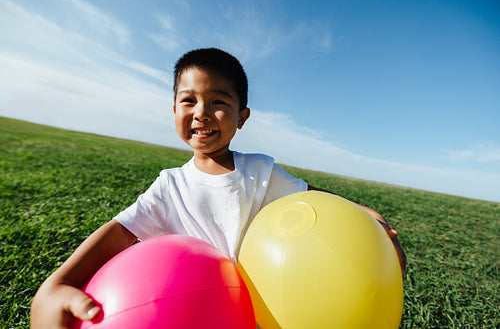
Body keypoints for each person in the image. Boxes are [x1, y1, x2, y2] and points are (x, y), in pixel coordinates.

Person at [30, 48, 406, 328]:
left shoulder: (261, 171)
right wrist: (59, 283)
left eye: (218, 102)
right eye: (188, 101)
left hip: (264, 312)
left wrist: (360, 215)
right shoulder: (169, 185)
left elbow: (312, 199)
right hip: (189, 311)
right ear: (174, 110)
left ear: (242, 117)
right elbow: (118, 232)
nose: (202, 112)